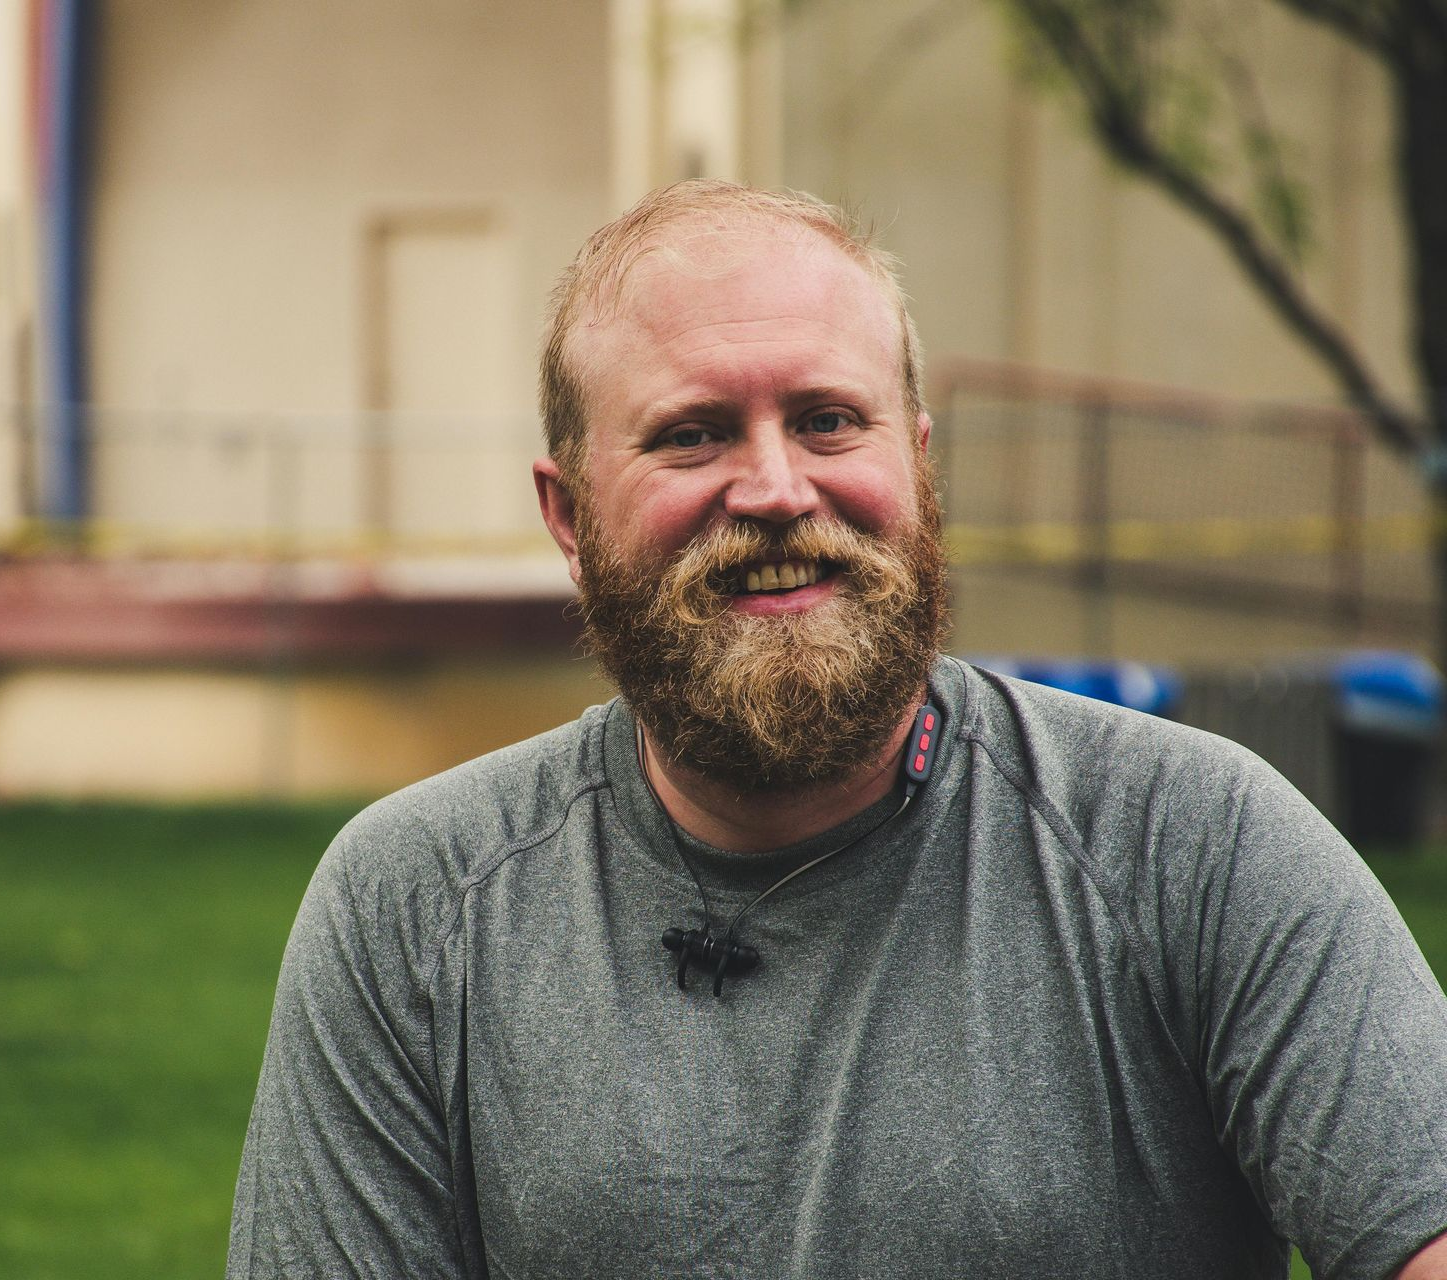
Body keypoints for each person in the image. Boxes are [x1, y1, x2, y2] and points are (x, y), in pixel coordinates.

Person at [227, 180, 1447, 1279]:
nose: (775, 489)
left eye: (826, 419)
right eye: (691, 432)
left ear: (916, 465)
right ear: (569, 513)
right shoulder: (415, 909)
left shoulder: (1195, 844)